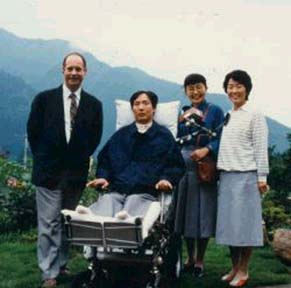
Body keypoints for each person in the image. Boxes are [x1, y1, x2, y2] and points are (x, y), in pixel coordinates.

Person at [27, 52, 103, 288]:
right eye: (70, 68)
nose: (74, 73)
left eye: (78, 69)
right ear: (63, 70)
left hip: (75, 174)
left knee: (66, 221)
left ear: (85, 72)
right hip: (48, 171)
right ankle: (48, 272)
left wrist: (78, 159)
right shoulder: (44, 99)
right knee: (49, 222)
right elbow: (33, 133)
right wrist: (45, 158)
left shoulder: (94, 104)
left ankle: (61, 264)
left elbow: (94, 138)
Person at [87, 90, 185, 219]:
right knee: (106, 203)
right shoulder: (120, 135)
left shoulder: (164, 137)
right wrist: (103, 176)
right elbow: (105, 160)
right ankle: (91, 218)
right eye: (136, 104)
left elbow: (175, 164)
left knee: (132, 207)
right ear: (132, 108)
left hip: (144, 193)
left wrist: (166, 179)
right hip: (116, 190)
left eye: (145, 103)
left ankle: (125, 222)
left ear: (154, 108)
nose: (141, 108)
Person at [216, 70, 269, 287]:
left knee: (245, 227)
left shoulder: (254, 114)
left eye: (238, 86)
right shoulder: (229, 114)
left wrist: (262, 177)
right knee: (230, 227)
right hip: (226, 176)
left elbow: (260, 147)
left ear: (247, 89)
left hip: (247, 176)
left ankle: (244, 271)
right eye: (230, 86)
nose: (234, 90)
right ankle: (234, 268)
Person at [174, 74, 224, 277]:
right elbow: (176, 136)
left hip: (205, 167)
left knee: (203, 213)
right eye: (190, 88)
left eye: (198, 87)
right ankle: (189, 257)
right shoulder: (182, 113)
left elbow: (222, 137)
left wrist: (208, 149)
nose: (195, 92)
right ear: (185, 91)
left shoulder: (215, 111)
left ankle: (201, 259)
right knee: (186, 213)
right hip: (183, 168)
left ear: (206, 88)